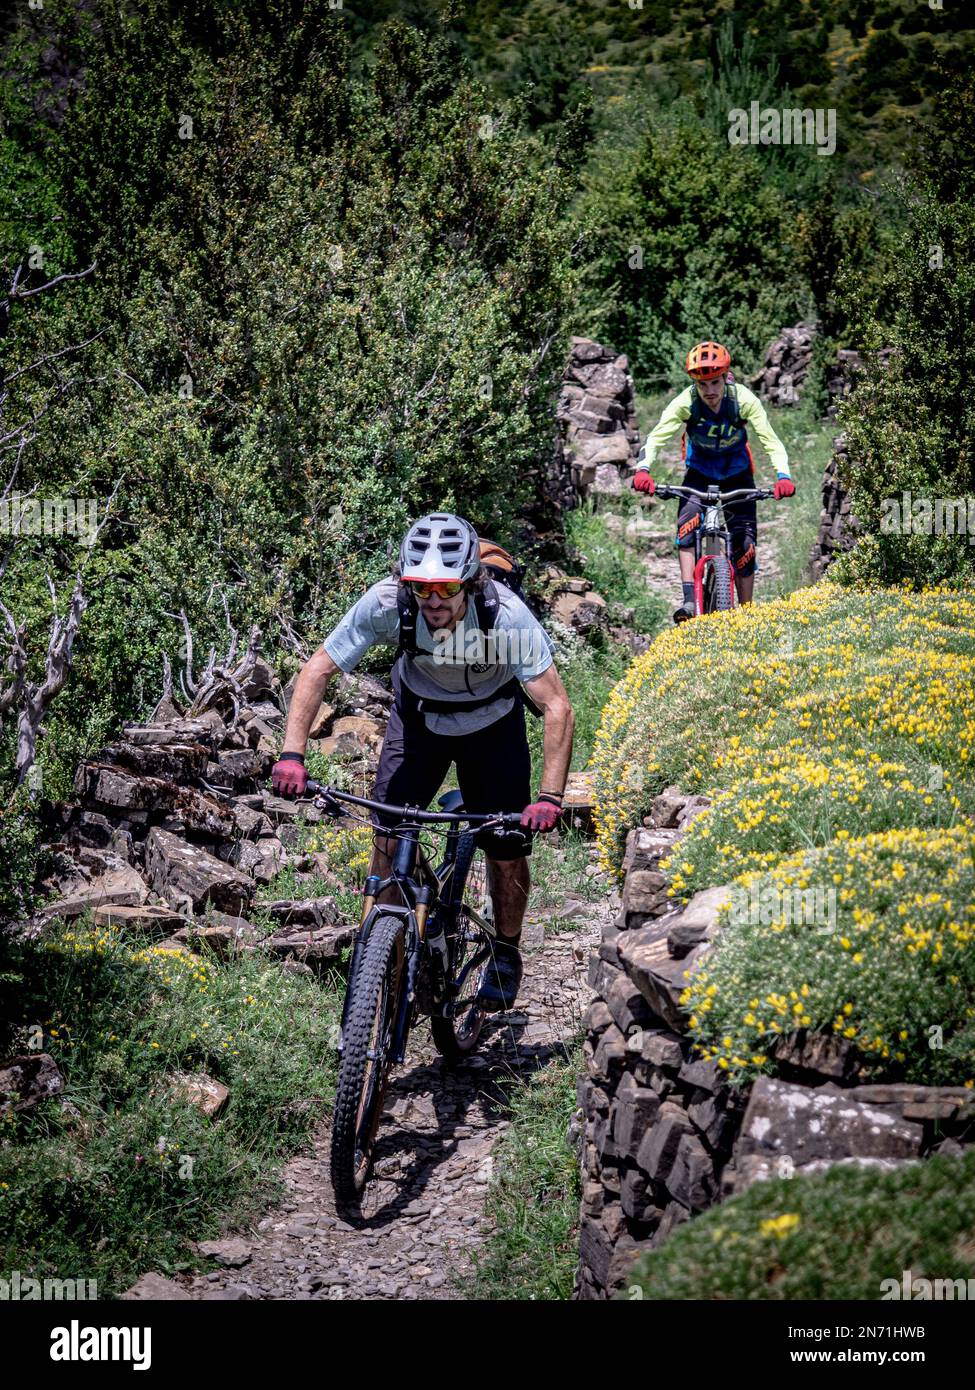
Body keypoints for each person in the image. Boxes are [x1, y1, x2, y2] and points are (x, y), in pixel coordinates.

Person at [271, 512, 574, 1011]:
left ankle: (506, 948)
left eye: (445, 589)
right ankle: (377, 972)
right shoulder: (387, 604)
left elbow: (556, 706)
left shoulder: (505, 616)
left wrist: (549, 797)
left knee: (504, 846)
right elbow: (318, 669)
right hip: (418, 721)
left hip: (493, 726)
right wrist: (291, 754)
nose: (433, 600)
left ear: (469, 581)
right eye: (421, 588)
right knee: (389, 834)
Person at [632, 341, 795, 622]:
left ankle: (746, 616)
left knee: (744, 545)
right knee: (687, 525)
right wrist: (643, 469)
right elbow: (657, 436)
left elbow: (771, 440)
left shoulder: (743, 400)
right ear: (695, 383)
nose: (709, 391)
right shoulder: (686, 401)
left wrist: (783, 476)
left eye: (715, 383)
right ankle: (688, 601)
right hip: (699, 473)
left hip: (738, 475)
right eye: (702, 384)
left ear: (726, 378)